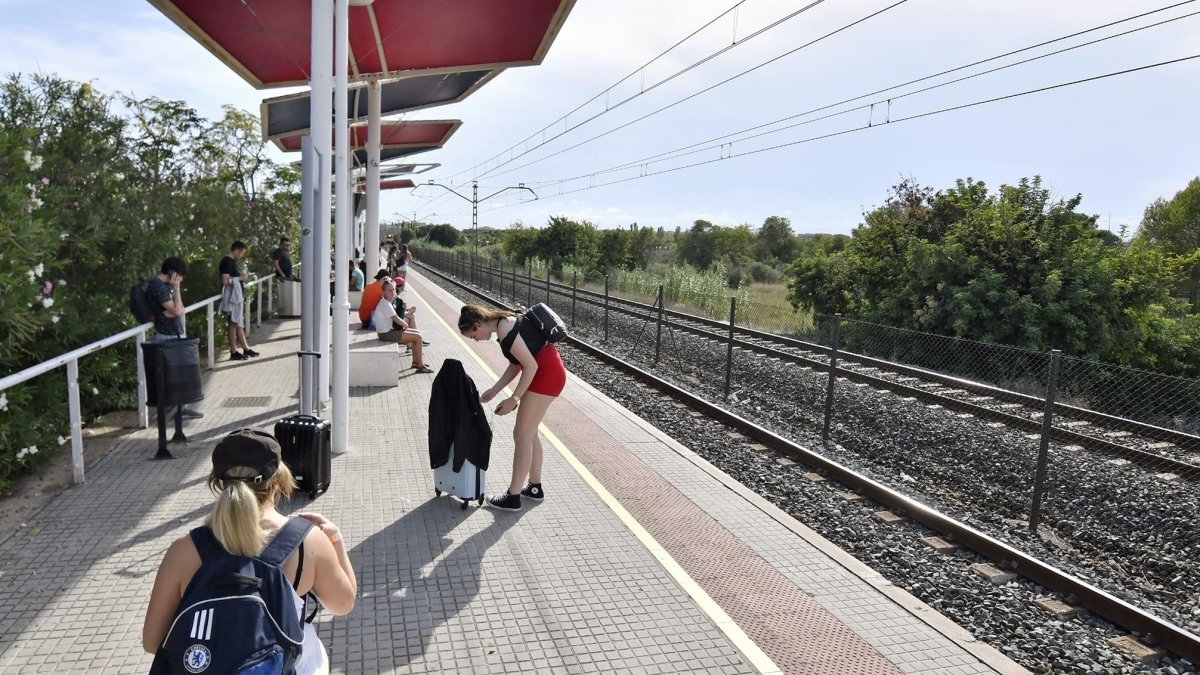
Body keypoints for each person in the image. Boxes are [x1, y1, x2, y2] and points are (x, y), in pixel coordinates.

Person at [142, 429, 357, 673]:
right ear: (278, 480)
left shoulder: (184, 551)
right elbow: (343, 604)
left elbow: (152, 642)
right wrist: (335, 539)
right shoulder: (308, 543)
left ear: (217, 483)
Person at [458, 304, 567, 511]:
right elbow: (517, 363)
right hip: (546, 372)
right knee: (530, 433)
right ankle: (534, 488)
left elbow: (530, 366)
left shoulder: (504, 329)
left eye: (473, 336)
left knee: (521, 435)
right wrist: (496, 389)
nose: (476, 341)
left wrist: (513, 399)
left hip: (544, 375)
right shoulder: (503, 325)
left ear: (477, 324)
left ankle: (513, 496)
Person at [147, 256, 203, 418]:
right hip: (167, 336)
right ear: (173, 273)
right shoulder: (158, 287)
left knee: (181, 375)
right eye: (180, 276)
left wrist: (175, 306)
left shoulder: (165, 286)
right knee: (171, 377)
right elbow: (177, 311)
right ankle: (169, 413)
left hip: (175, 334)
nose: (181, 280)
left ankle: (181, 408)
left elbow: (180, 309)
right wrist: (177, 290)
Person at [374, 277, 433, 373]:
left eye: (393, 289)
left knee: (417, 334)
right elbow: (396, 319)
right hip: (386, 334)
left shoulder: (386, 302)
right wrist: (407, 326)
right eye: (389, 290)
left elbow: (397, 316)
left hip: (388, 332)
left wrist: (407, 319)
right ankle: (420, 365)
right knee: (417, 337)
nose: (393, 292)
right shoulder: (385, 304)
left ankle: (415, 362)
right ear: (383, 292)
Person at [219, 240, 258, 361]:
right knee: (233, 323)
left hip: (236, 297)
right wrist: (241, 277)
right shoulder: (227, 262)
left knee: (238, 323)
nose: (242, 256)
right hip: (232, 298)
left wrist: (241, 276)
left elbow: (232, 277)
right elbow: (225, 281)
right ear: (237, 250)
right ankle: (233, 351)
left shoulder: (232, 262)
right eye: (242, 253)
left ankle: (246, 348)